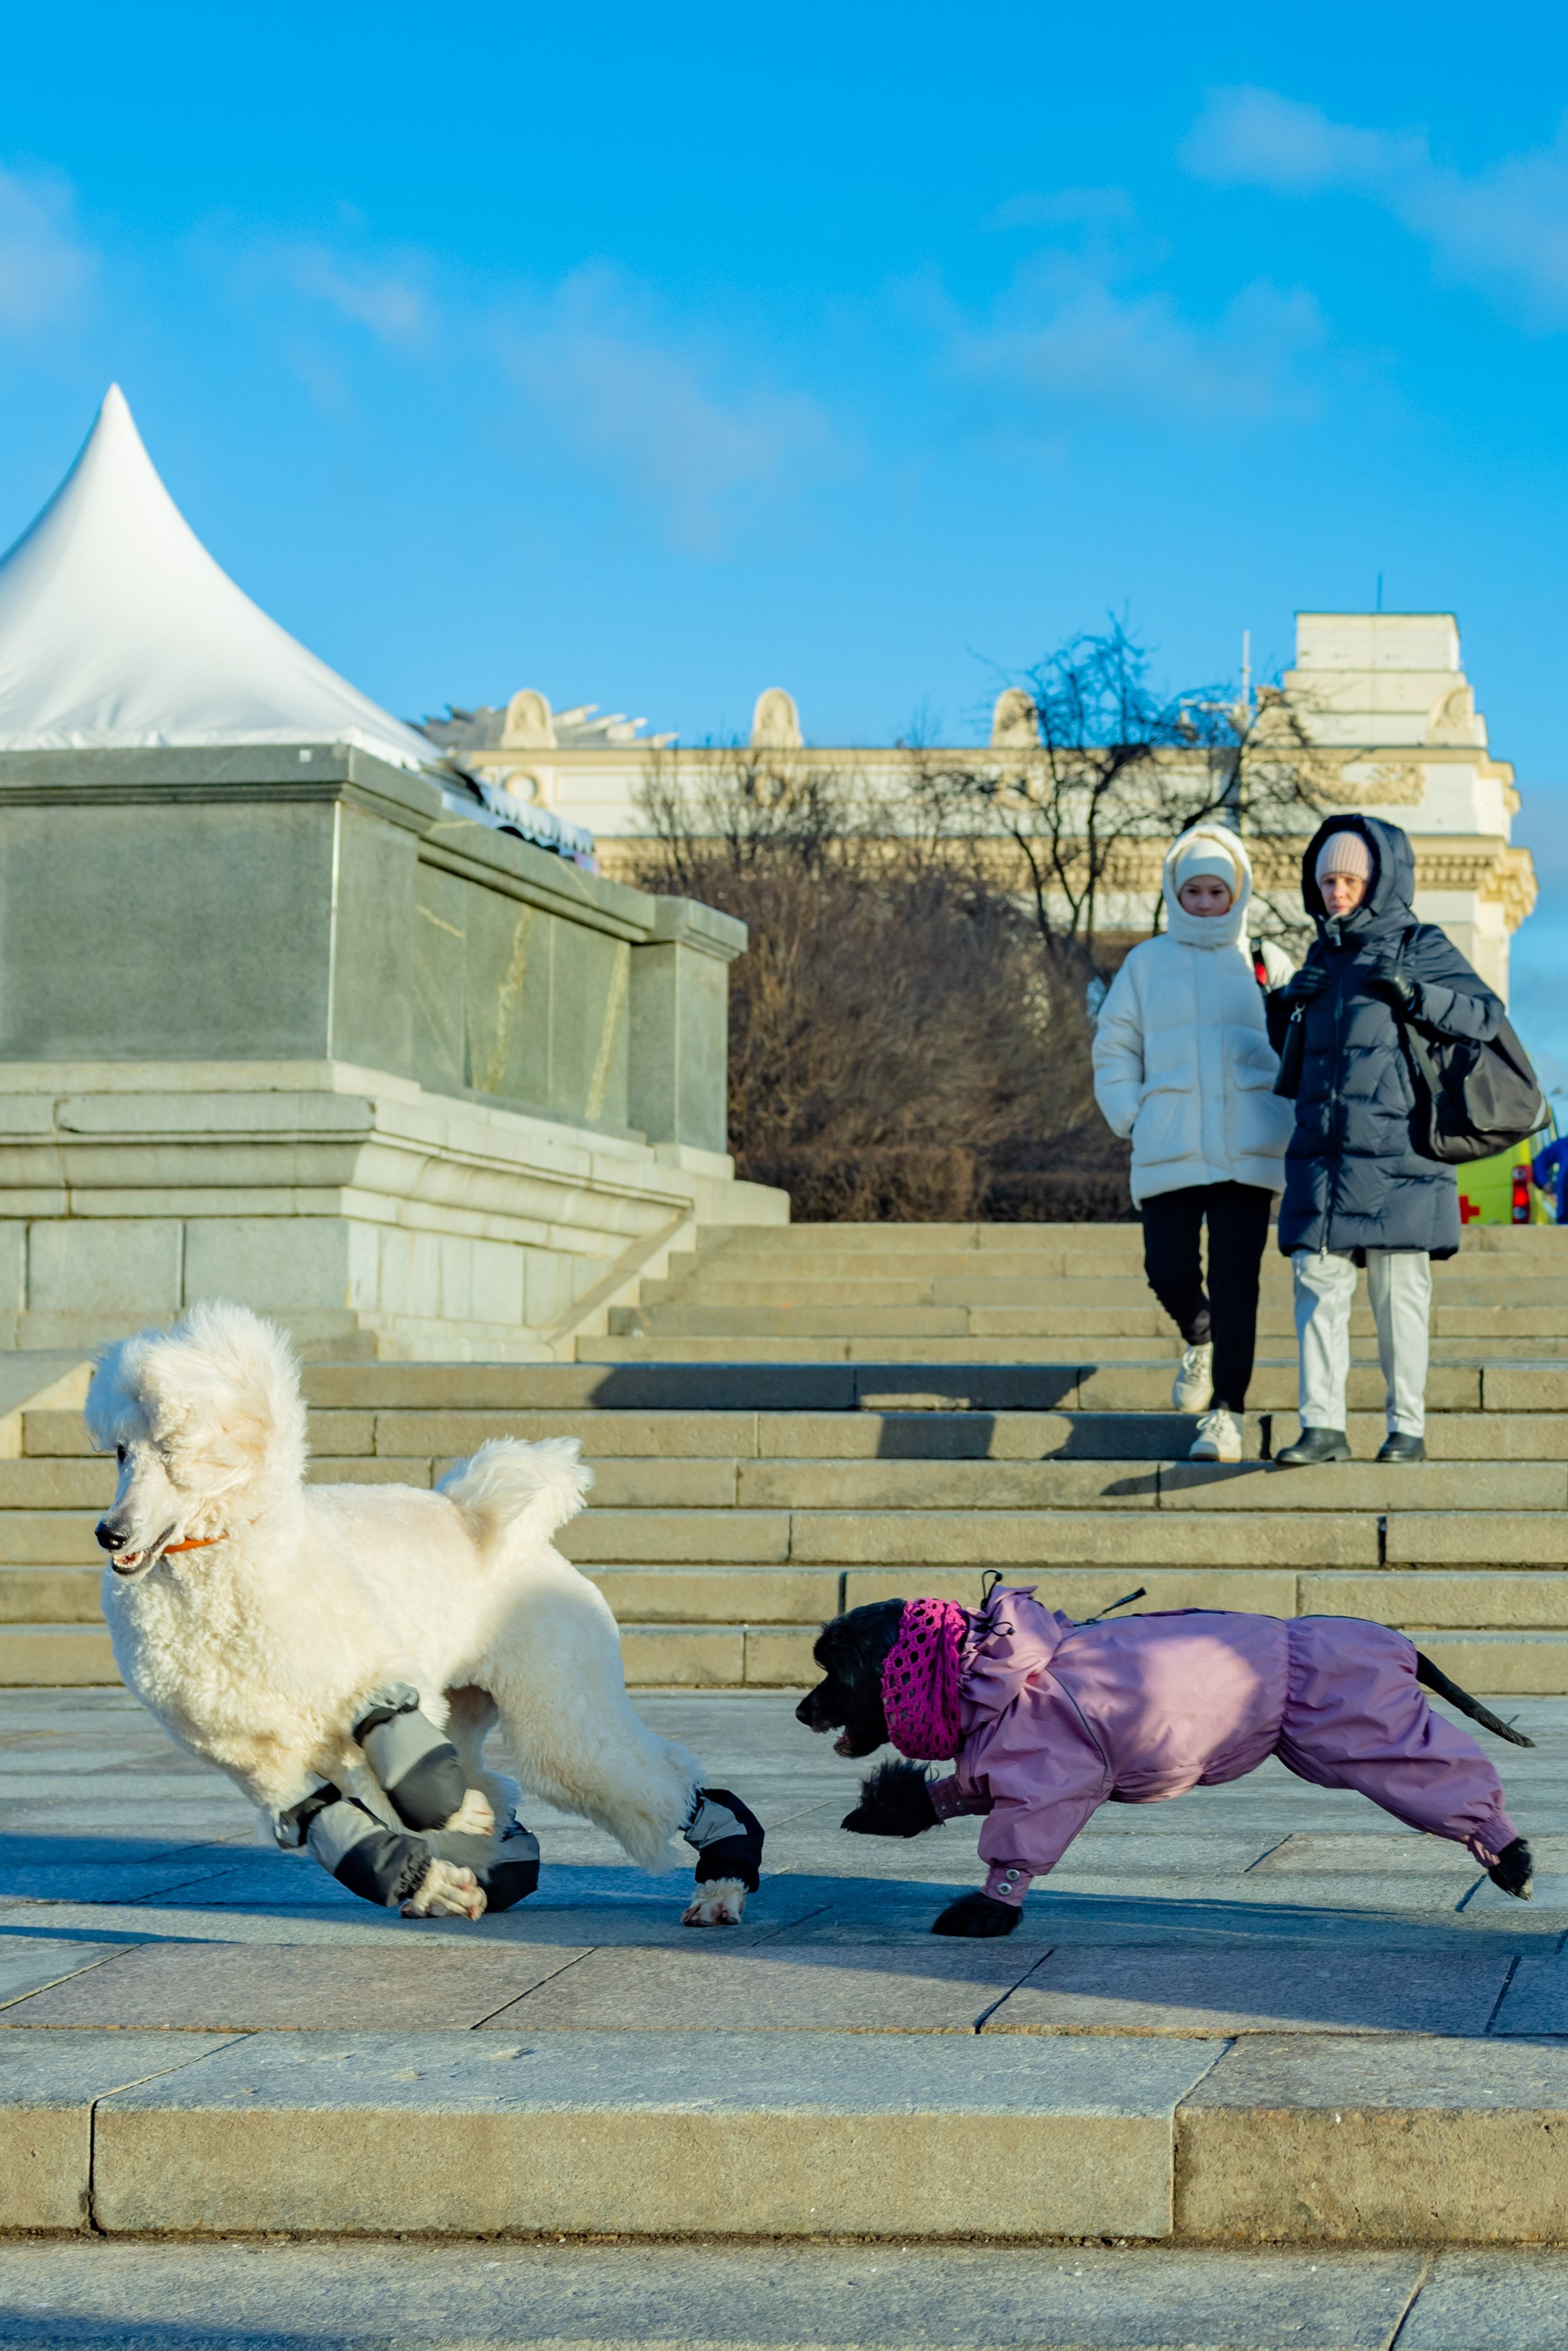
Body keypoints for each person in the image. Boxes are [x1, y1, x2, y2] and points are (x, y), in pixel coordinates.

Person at [1271, 815, 1503, 1465]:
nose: (1335, 893)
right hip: (1324, 1154)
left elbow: (1486, 1014)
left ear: (1376, 879)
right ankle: (1322, 1425)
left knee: (1399, 1296)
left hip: (1402, 1154)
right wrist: (1286, 1001)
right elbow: (1293, 1060)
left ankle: (1406, 1427)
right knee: (1316, 1284)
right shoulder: (1320, 954)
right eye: (1325, 882)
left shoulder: (1418, 941)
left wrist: (1417, 994)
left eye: (1347, 879)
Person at [1093, 825, 1295, 1462]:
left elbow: (1299, 1044)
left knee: (1239, 1282)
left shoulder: (1267, 959)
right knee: (1167, 1268)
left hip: (1248, 1144)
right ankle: (1197, 1335)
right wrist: (1130, 1115)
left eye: (1216, 891)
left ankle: (1226, 1414)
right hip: (1168, 1140)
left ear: (1237, 892)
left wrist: (1286, 1118)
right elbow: (1115, 1044)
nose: (1206, 903)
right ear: (1174, 893)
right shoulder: (1146, 962)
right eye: (1194, 892)